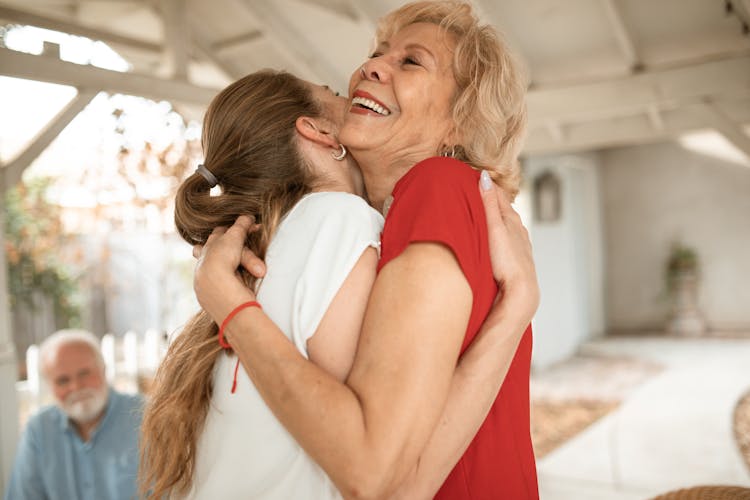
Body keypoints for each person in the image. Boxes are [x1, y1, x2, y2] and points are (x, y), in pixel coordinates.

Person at [192, 1, 539, 499]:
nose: (371, 66)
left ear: (460, 123)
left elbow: (373, 476)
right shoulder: (386, 224)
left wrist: (230, 307)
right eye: (378, 53)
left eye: (411, 61)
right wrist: (515, 313)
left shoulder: (437, 188)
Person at [4, 329, 144, 500]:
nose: (76, 387)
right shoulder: (39, 430)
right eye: (63, 380)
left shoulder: (147, 416)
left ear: (104, 369)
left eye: (84, 374)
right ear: (50, 386)